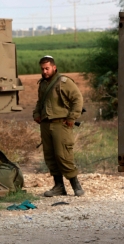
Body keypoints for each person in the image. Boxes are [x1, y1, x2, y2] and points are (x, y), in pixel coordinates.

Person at [33, 55, 84, 197]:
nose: (44, 71)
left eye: (47, 68)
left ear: (54, 67)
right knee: (50, 156)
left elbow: (77, 99)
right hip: (46, 124)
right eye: (42, 69)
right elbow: (40, 102)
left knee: (64, 155)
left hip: (61, 123)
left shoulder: (64, 82)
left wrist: (72, 117)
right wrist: (36, 113)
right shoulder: (43, 84)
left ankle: (75, 185)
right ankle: (59, 186)